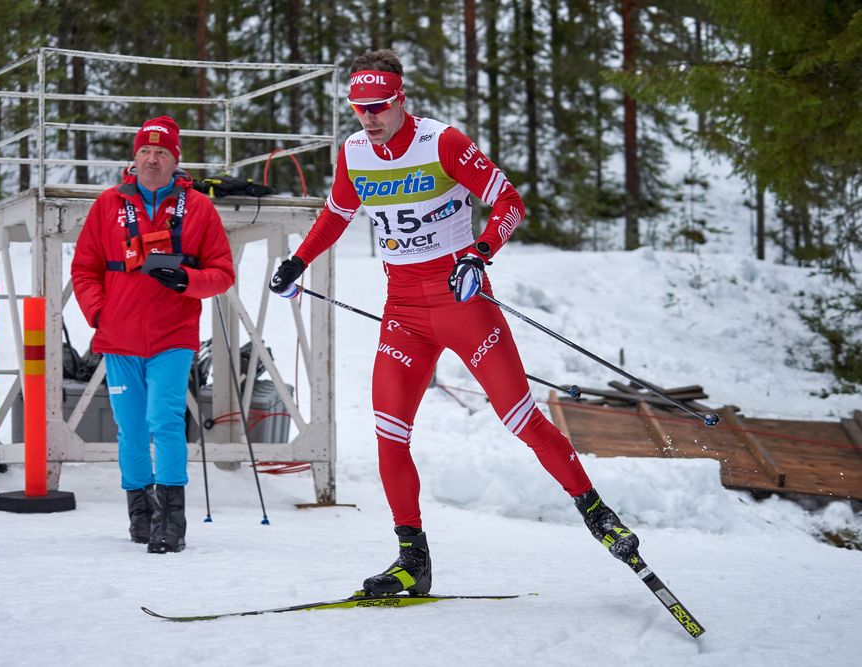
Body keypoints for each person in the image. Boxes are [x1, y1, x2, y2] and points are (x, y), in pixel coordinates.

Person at [269, 50, 639, 594]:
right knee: (389, 435)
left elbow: (509, 201)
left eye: (379, 106)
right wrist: (298, 262)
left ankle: (598, 514)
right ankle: (411, 560)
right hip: (403, 311)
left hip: (461, 299)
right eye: (359, 108)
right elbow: (336, 216)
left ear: (401, 100)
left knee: (520, 419)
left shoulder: (442, 142)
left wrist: (479, 253)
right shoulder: (353, 153)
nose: (369, 118)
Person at [72, 115, 235, 554]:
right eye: (145, 150)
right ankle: (140, 515)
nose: (152, 159)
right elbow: (85, 268)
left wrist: (188, 282)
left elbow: (222, 273)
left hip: (172, 336)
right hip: (118, 338)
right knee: (128, 428)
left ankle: (172, 520)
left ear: (174, 160)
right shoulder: (107, 204)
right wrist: (99, 313)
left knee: (164, 422)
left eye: (161, 152)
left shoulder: (198, 207)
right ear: (134, 156)